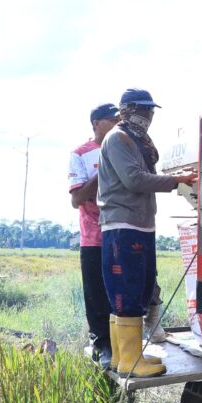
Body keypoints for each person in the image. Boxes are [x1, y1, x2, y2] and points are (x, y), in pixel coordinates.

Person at [98, 89, 197, 378]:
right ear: (126, 110)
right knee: (127, 292)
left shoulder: (136, 141)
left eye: (150, 110)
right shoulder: (118, 138)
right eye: (142, 109)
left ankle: (123, 357)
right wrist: (177, 181)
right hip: (124, 225)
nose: (148, 115)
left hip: (137, 223)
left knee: (133, 291)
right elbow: (134, 179)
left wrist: (176, 181)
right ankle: (130, 360)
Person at [69, 103, 119, 368]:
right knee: (97, 294)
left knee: (123, 291)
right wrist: (105, 170)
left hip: (123, 232)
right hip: (95, 237)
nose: (117, 124)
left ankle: (125, 344)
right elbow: (77, 198)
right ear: (97, 123)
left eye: (119, 120)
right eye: (112, 120)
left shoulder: (126, 146)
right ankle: (102, 344)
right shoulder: (80, 154)